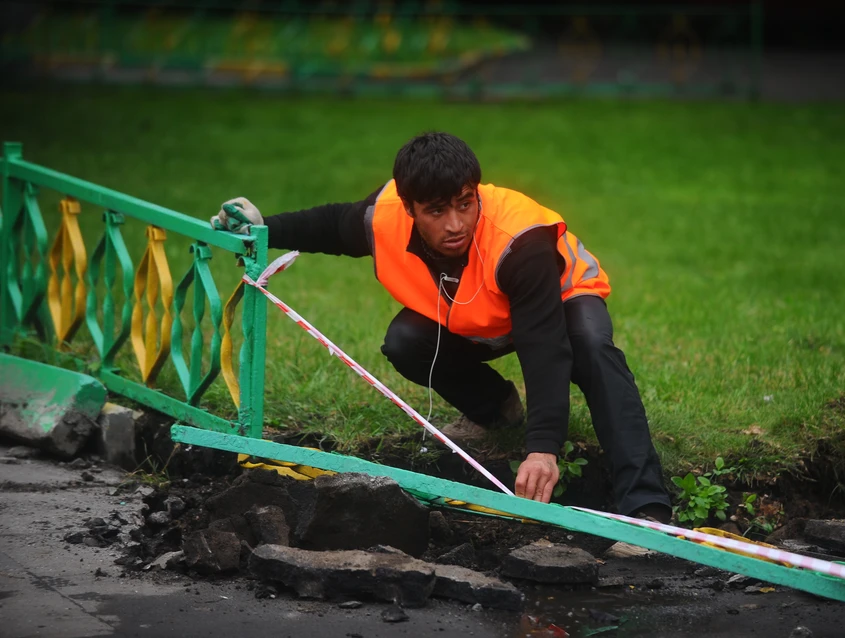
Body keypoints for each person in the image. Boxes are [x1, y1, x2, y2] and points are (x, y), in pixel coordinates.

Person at [211, 132, 672, 523]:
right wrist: (262, 228)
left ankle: (646, 507)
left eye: (465, 204)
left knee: (591, 347)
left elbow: (545, 346)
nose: (456, 224)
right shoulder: (384, 214)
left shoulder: (521, 241)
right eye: (436, 212)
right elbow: (331, 226)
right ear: (409, 208)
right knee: (405, 341)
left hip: (559, 303)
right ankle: (499, 411)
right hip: (476, 312)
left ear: (476, 193)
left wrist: (543, 448)